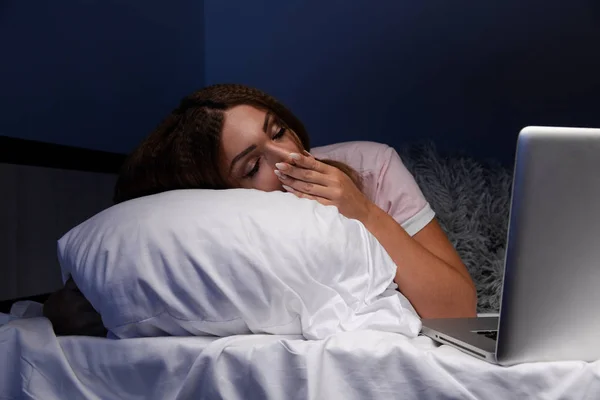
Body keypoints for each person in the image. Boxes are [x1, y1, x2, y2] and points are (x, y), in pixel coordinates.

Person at [113, 83, 477, 319]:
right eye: (254, 165)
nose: (287, 156)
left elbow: (459, 307)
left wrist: (364, 212)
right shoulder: (221, 227)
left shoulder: (371, 166)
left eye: (279, 132)